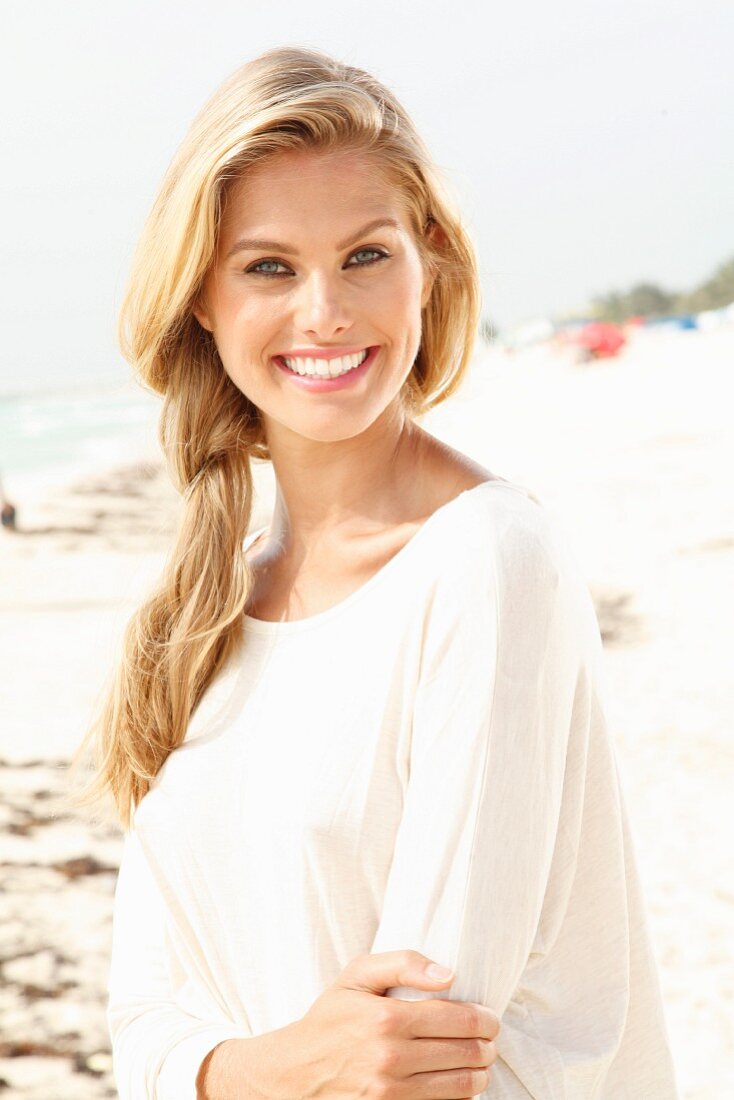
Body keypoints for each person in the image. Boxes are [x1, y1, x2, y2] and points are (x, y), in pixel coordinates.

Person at [68, 46, 680, 1099]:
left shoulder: (486, 561)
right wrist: (268, 1065)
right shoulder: (201, 611)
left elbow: (418, 1051)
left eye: (363, 255)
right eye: (268, 266)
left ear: (427, 258)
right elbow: (140, 1026)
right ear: (203, 298)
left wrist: (229, 1070)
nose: (324, 313)